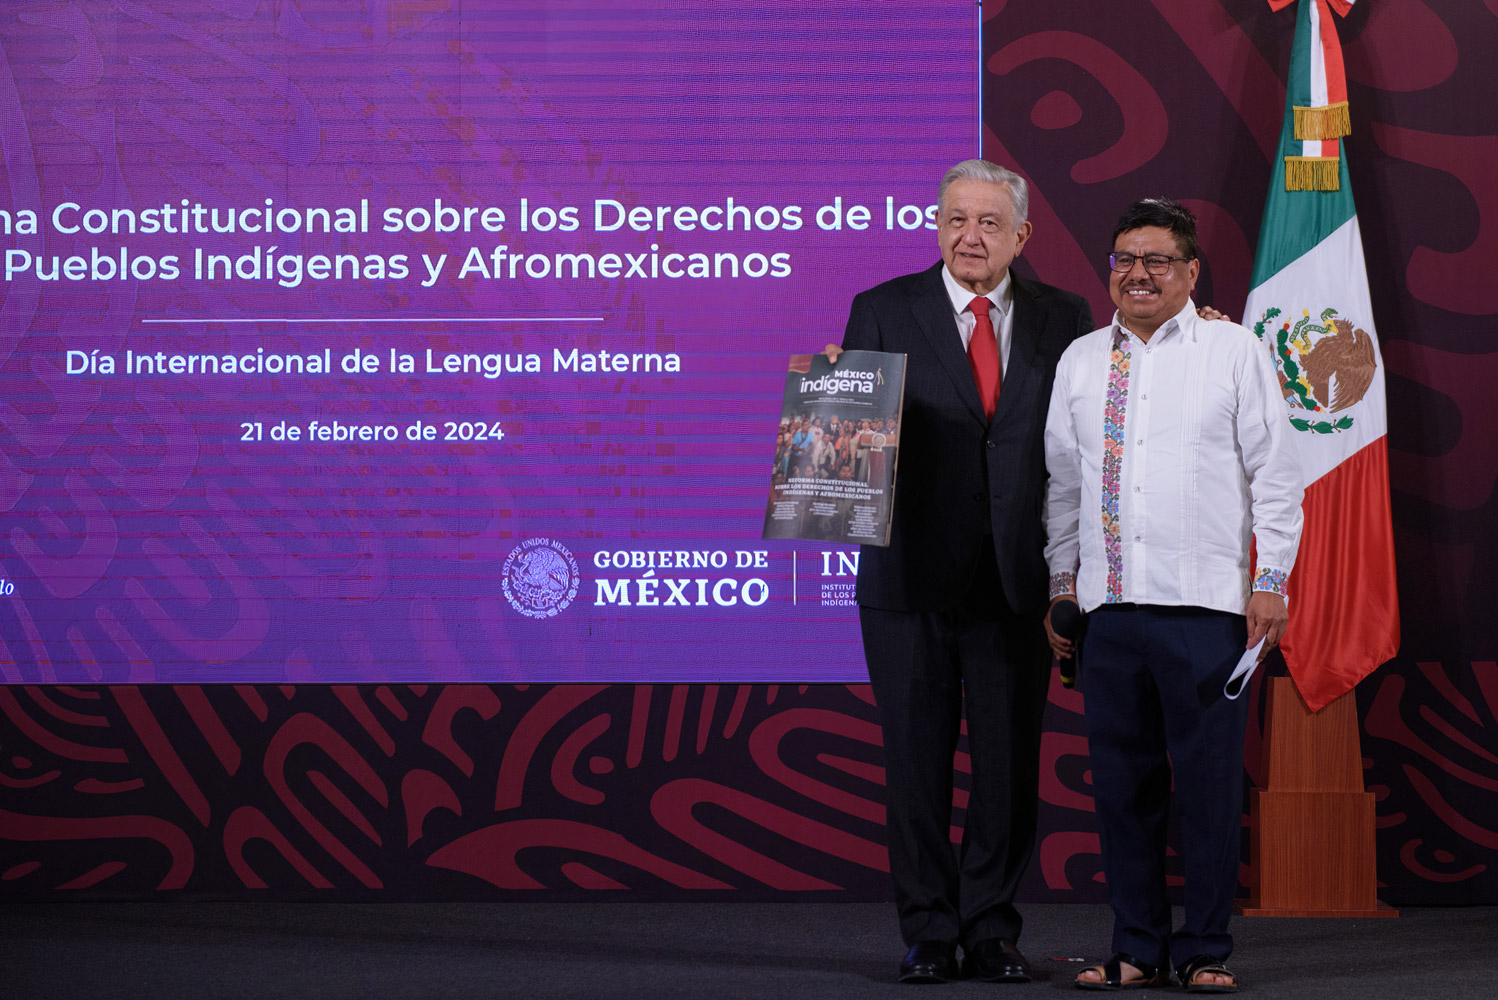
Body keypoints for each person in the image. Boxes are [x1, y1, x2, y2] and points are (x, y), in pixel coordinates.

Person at [826, 159, 1093, 984]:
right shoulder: (883, 307)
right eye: (953, 220)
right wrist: (833, 401)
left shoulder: (1065, 316)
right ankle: (929, 931)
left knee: (1009, 767)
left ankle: (990, 927)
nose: (967, 237)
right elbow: (845, 449)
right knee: (915, 762)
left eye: (985, 223)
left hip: (1015, 577)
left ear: (1022, 235)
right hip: (907, 577)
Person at [1042, 198, 1303, 992]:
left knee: (1210, 794)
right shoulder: (1082, 358)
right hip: (1110, 615)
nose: (1140, 273)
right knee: (1124, 792)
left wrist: (1269, 583)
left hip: (1208, 614)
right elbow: (1062, 485)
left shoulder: (1233, 350)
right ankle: (1136, 947)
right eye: (1125, 258)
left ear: (1190, 273)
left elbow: (1277, 475)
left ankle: (1205, 950)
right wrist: (1062, 589)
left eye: (1158, 260)